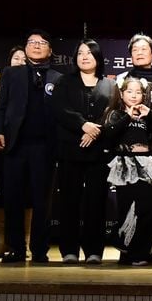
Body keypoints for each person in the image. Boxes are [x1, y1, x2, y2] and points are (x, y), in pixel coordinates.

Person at [0, 29, 62, 263]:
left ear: (50, 50)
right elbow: (1, 106)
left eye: (42, 42)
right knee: (13, 198)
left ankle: (40, 249)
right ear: (25, 47)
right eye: (32, 42)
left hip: (45, 146)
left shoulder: (58, 77)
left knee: (42, 201)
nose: (36, 45)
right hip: (16, 144)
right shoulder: (11, 73)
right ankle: (16, 248)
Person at [52, 39, 116, 264]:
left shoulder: (110, 85)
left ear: (98, 57)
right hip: (71, 149)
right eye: (80, 53)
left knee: (96, 202)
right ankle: (69, 250)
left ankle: (94, 251)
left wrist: (94, 132)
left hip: (99, 153)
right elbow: (60, 109)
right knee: (69, 201)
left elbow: (112, 114)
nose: (85, 57)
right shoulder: (64, 82)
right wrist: (83, 125)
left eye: (89, 53)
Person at [104, 77, 152, 266]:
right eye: (129, 92)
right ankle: (127, 250)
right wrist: (128, 116)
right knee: (130, 209)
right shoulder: (115, 114)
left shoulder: (146, 115)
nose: (134, 96)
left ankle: (142, 250)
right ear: (121, 94)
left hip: (147, 165)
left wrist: (149, 114)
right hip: (126, 165)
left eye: (138, 92)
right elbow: (108, 134)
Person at [0, 45, 29, 258]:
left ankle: (25, 243)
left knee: (27, 196)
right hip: (5, 143)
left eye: (24, 59)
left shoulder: (35, 80)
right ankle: (1, 242)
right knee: (3, 195)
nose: (20, 61)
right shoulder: (5, 79)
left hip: (28, 145)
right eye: (16, 58)